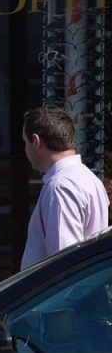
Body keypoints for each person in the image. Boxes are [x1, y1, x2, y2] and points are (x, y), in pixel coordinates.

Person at [20, 106, 109, 268]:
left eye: (25, 142)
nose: (25, 149)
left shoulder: (60, 187)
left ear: (36, 141)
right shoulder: (89, 179)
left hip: (64, 291)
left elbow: (62, 263)